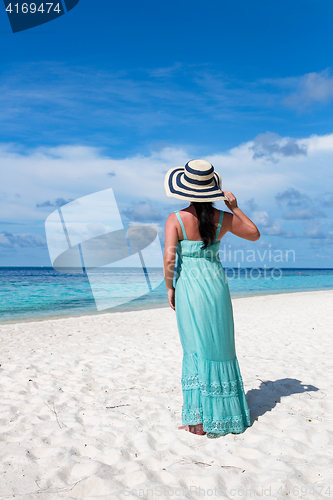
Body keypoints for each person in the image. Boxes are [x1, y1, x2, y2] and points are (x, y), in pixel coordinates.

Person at [163, 159, 260, 438]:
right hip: (215, 285)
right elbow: (254, 234)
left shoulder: (176, 219)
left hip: (190, 287)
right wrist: (235, 207)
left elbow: (170, 258)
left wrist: (170, 287)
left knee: (194, 347)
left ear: (186, 190)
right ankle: (225, 417)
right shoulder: (223, 220)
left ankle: (198, 420)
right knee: (219, 346)